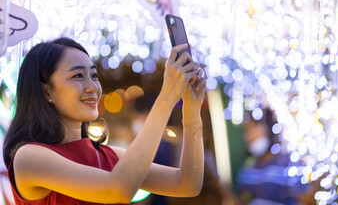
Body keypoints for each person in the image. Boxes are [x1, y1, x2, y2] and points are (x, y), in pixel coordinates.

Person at [3, 37, 206, 204]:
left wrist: (192, 109)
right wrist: (166, 98)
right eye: (78, 76)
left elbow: (187, 184)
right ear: (46, 90)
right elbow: (119, 190)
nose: (92, 87)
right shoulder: (29, 157)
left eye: (94, 75)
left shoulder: (107, 155)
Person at [236, 107, 319, 205]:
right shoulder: (248, 167)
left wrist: (320, 180)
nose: (247, 137)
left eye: (249, 131)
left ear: (267, 127)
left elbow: (304, 200)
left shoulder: (289, 163)